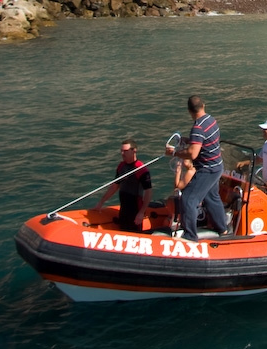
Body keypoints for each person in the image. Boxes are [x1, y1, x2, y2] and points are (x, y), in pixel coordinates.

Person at [165, 95, 228, 240]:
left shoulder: (198, 127)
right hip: (217, 166)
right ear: (203, 105)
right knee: (212, 197)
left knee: (188, 199)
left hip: (207, 170)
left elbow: (193, 154)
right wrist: (189, 140)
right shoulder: (211, 120)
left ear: (189, 111)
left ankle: (190, 236)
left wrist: (174, 153)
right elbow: (205, 140)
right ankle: (223, 229)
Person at [95, 137, 153, 231]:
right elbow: (115, 186)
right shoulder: (121, 166)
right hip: (124, 208)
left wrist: (141, 212)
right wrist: (101, 201)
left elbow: (148, 192)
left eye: (125, 151)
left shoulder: (141, 169)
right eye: (121, 151)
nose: (122, 153)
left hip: (135, 208)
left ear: (134, 151)